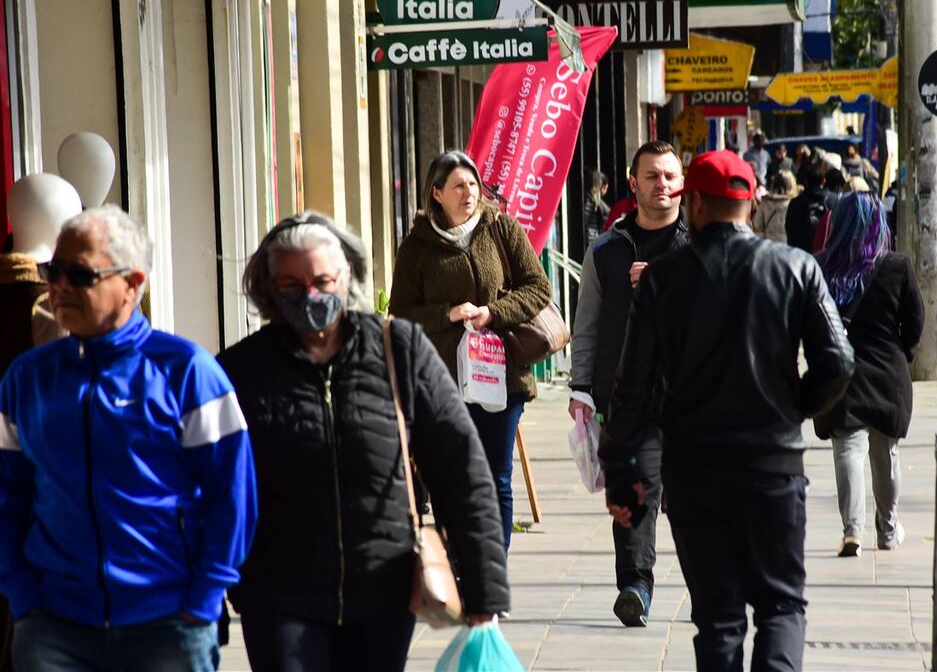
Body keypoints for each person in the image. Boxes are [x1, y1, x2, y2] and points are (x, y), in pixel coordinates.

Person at [218, 213, 508, 670]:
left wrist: (483, 588)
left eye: (322, 280)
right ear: (268, 288)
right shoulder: (240, 371)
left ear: (347, 276)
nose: (309, 295)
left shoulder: (400, 349)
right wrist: (211, 594)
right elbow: (211, 489)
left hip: (383, 592)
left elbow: (462, 471)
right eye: (291, 284)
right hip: (278, 594)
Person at [600, 151, 854, 671]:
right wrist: (794, 407)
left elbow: (631, 387)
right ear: (752, 202)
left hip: (694, 472)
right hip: (773, 468)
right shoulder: (795, 268)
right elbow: (840, 362)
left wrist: (621, 471)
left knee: (717, 619)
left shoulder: (661, 280)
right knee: (781, 606)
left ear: (693, 203)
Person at [0, 205, 257, 672]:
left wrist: (203, 599)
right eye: (52, 271)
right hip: (53, 626)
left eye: (79, 275)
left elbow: (232, 495)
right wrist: (22, 594)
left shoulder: (188, 372)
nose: (58, 287)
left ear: (133, 284)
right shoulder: (26, 379)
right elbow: (6, 495)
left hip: (168, 623)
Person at [390, 150, 552, 550]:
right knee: (452, 476)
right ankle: (460, 567)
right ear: (437, 193)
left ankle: (491, 577)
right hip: (443, 379)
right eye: (459, 186)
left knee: (496, 475)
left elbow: (538, 288)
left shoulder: (502, 229)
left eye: (473, 185)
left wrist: (492, 312)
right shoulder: (417, 246)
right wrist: (448, 313)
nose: (468, 193)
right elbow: (401, 312)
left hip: (501, 375)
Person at [569, 140, 689, 627]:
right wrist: (580, 387)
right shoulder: (606, 251)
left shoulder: (701, 245)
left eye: (669, 175)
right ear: (633, 183)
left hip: (691, 395)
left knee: (690, 498)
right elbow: (588, 324)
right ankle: (635, 585)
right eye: (652, 176)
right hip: (625, 396)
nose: (662, 185)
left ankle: (712, 583)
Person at [813, 192, 924, 558]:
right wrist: (902, 352)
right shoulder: (897, 266)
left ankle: (852, 531)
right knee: (885, 452)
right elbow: (915, 320)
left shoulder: (822, 266)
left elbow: (810, 322)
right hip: (886, 374)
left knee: (847, 447)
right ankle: (888, 530)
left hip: (840, 375)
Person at [786, 152, 837, 254]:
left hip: (801, 255)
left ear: (806, 181)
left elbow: (790, 230)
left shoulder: (796, 203)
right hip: (826, 255)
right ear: (823, 181)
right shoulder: (834, 200)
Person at [753, 170, 799, 243]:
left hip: (769, 244)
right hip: (788, 246)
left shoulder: (765, 201)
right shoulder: (795, 203)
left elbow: (757, 225)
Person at [583, 169, 611, 245]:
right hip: (592, 239)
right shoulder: (591, 201)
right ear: (602, 187)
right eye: (606, 188)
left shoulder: (593, 201)